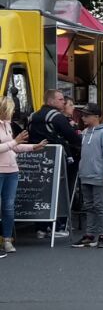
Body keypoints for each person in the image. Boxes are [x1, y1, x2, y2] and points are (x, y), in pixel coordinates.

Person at [27, 88, 81, 238]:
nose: (63, 102)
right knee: (62, 192)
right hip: (58, 159)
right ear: (50, 101)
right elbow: (71, 137)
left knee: (42, 192)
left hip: (36, 160)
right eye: (60, 99)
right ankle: (59, 226)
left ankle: (41, 227)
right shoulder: (56, 117)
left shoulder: (32, 116)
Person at [0, 97, 46, 255]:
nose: (13, 113)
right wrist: (15, 142)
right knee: (5, 206)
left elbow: (14, 148)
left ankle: (7, 239)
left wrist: (34, 147)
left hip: (12, 170)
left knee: (8, 206)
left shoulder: (7, 125)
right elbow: (9, 146)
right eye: (10, 110)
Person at [73, 104, 103, 249]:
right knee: (89, 206)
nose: (83, 118)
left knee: (100, 206)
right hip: (86, 174)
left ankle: (102, 235)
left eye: (86, 115)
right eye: (83, 115)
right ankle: (89, 234)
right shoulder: (84, 133)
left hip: (99, 175)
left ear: (96, 117)